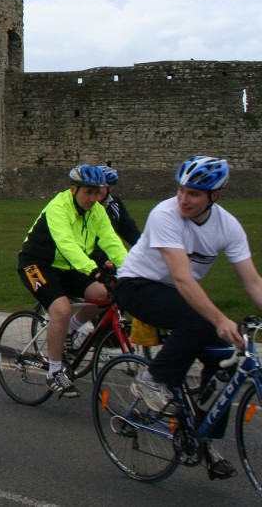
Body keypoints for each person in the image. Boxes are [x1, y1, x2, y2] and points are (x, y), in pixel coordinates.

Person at [115, 156, 262, 480]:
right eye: (181, 190)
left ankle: (203, 438)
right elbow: (182, 279)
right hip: (139, 285)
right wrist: (221, 319)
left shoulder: (228, 226)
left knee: (225, 358)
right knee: (200, 322)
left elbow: (252, 282)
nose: (184, 199)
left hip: (176, 292)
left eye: (194, 193)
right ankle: (152, 379)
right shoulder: (165, 214)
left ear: (215, 196)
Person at [17, 164, 128, 398]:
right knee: (61, 308)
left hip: (68, 266)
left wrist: (133, 271)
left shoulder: (96, 211)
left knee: (105, 295)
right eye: (88, 192)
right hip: (37, 264)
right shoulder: (59, 207)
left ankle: (70, 330)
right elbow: (66, 244)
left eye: (97, 192)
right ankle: (54, 372)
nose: (93, 198)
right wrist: (94, 270)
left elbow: (112, 242)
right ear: (73, 189)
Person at [90, 165, 141, 266]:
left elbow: (128, 228)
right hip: (86, 259)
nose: (96, 191)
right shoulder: (86, 206)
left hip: (110, 257)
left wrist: (144, 246)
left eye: (100, 187)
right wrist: (103, 259)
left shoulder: (114, 203)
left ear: (110, 188)